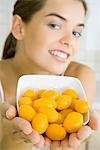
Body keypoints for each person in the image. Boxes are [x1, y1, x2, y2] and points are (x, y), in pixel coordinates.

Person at [0, 0, 100, 149]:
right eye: (55, 25)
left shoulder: (79, 77)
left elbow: (66, 141)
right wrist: (16, 139)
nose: (70, 41)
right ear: (19, 27)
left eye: (76, 32)